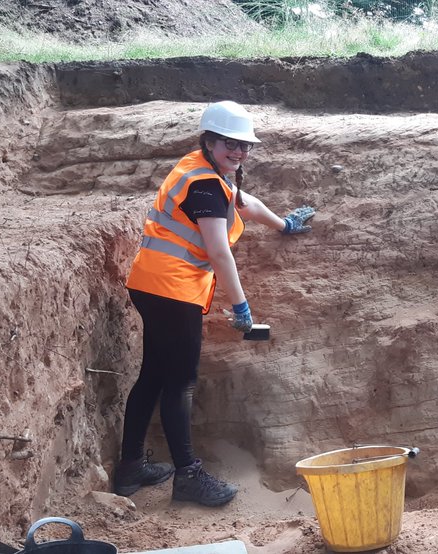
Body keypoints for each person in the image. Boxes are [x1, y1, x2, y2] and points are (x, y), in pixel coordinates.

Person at [112, 101, 315, 507]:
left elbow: (244, 204)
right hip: (172, 290)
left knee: (153, 375)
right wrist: (241, 308)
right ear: (209, 139)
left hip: (151, 282)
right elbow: (219, 252)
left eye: (244, 145)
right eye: (229, 143)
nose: (238, 152)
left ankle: (131, 466)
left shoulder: (201, 168)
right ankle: (187, 474)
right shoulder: (204, 186)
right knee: (180, 381)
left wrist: (284, 224)